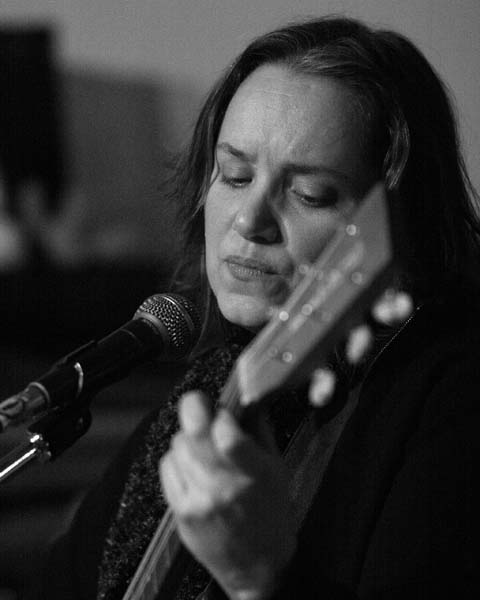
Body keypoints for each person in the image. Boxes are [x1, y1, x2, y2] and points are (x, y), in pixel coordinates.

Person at [28, 15, 480, 600]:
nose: (249, 220)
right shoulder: (205, 395)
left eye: (310, 194)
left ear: (395, 225)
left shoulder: (451, 402)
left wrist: (260, 577)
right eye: (235, 175)